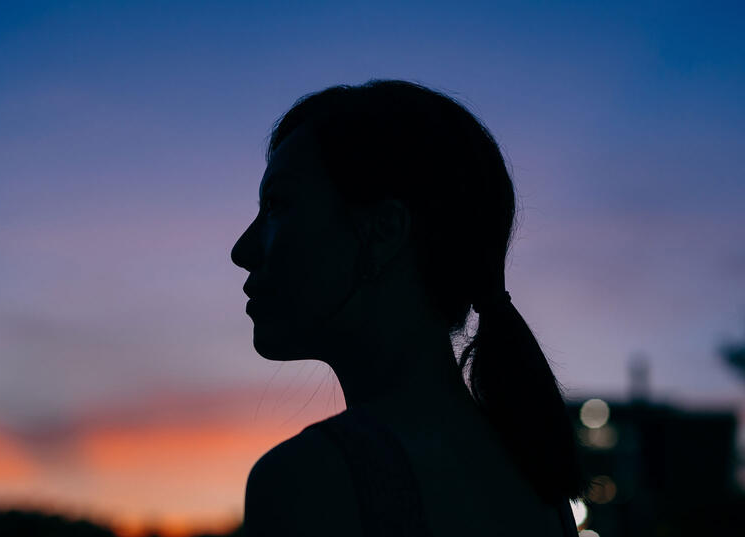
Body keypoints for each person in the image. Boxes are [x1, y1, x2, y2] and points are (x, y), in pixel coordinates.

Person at [230, 80, 583, 536]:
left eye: (278, 204)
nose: (243, 249)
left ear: (383, 232)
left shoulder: (312, 483)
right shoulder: (540, 483)